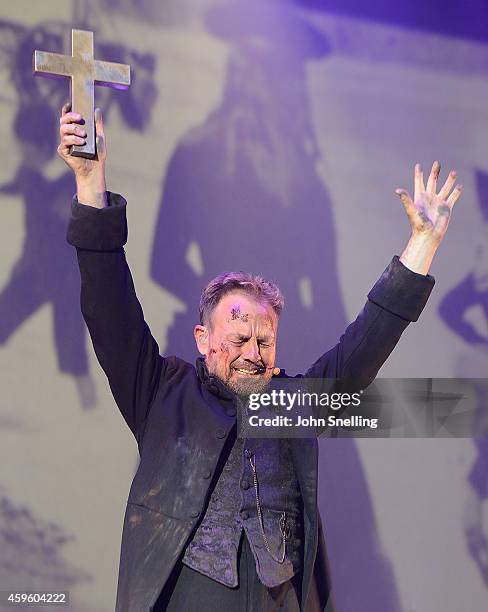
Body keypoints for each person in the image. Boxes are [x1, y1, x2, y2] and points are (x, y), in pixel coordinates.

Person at [58, 103, 462, 611]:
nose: (252, 351)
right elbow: (108, 304)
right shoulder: (162, 395)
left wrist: (421, 245)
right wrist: (91, 186)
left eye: (264, 340)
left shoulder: (293, 403)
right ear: (203, 338)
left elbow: (367, 343)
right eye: (238, 336)